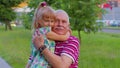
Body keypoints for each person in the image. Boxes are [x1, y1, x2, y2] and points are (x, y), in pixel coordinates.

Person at [26, 2, 70, 68]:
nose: (49, 24)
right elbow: (62, 38)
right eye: (46, 21)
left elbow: (32, 56)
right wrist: (68, 33)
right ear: (39, 21)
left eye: (52, 21)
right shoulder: (45, 31)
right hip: (40, 64)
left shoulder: (38, 32)